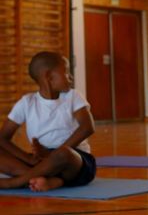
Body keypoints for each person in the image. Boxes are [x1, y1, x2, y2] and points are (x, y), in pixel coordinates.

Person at [0, 51, 96, 191]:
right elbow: (2, 138)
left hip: (74, 160)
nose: (71, 77)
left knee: (63, 153)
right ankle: (48, 179)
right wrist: (29, 160)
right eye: (66, 72)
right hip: (41, 161)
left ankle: (17, 182)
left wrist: (53, 155)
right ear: (49, 77)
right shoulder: (27, 103)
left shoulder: (73, 96)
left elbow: (88, 127)